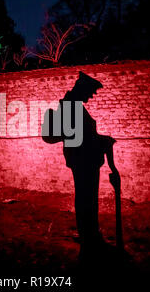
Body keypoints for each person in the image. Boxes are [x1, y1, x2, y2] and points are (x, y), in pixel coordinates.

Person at [60, 72, 121, 261]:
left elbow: (83, 136)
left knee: (87, 200)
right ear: (82, 89)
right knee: (86, 201)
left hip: (85, 161)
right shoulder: (71, 108)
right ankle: (90, 241)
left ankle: (92, 239)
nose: (91, 96)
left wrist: (100, 139)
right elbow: (80, 139)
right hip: (84, 162)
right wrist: (102, 140)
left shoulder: (73, 106)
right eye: (90, 92)